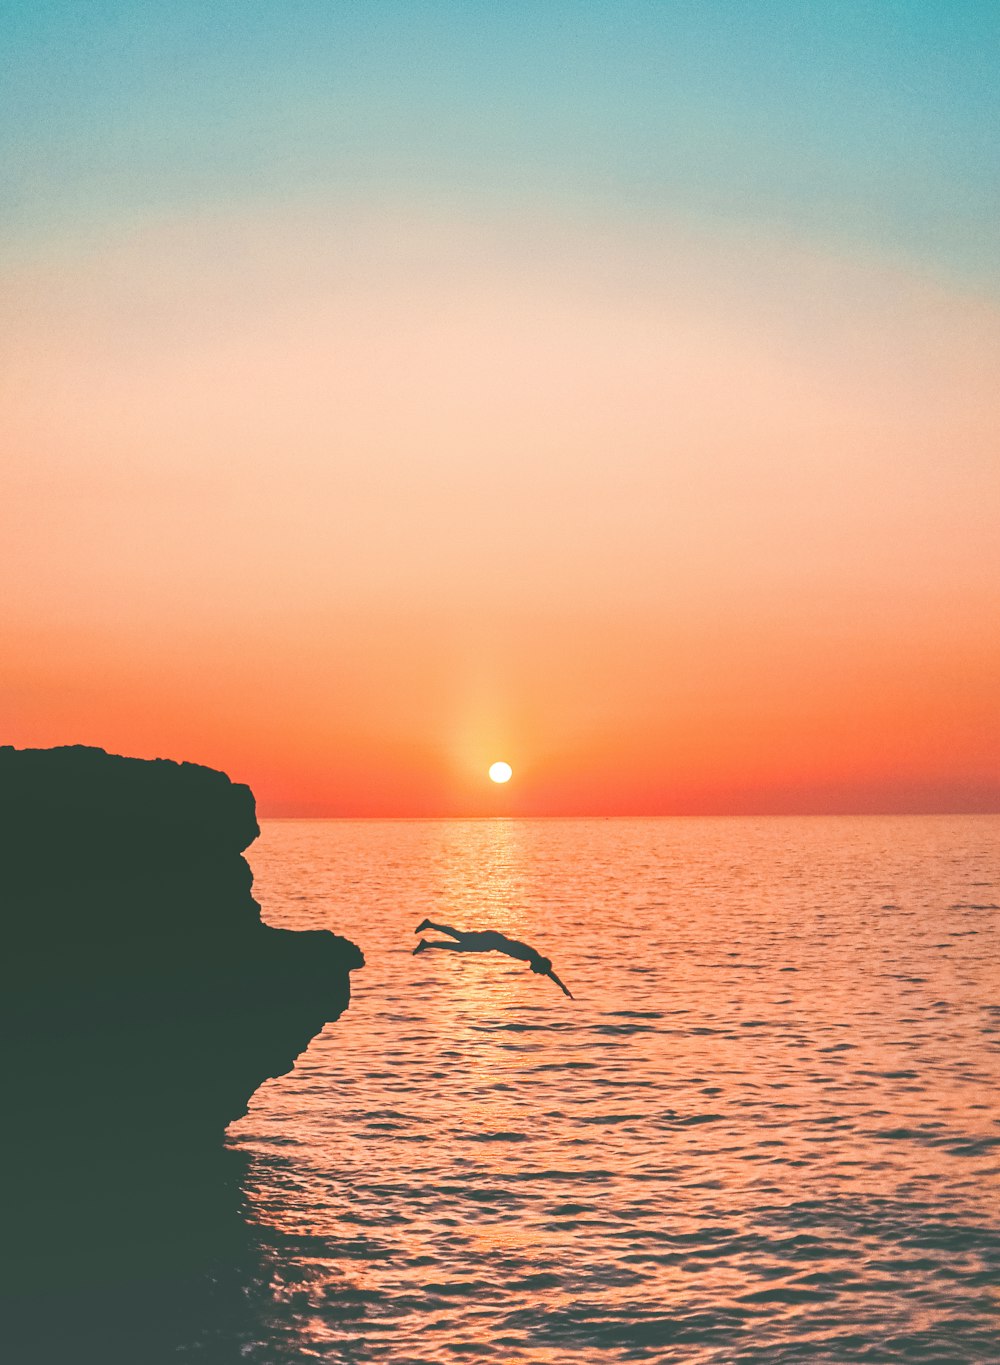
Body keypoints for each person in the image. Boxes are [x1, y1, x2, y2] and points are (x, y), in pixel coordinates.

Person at [413, 919, 574, 998]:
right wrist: (562, 987)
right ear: (540, 965)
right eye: (539, 972)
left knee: (460, 944)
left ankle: (428, 942)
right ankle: (429, 929)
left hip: (491, 942)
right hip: (492, 940)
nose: (536, 973)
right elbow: (548, 971)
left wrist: (563, 987)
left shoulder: (534, 957)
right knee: (459, 939)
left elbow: (550, 973)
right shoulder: (531, 955)